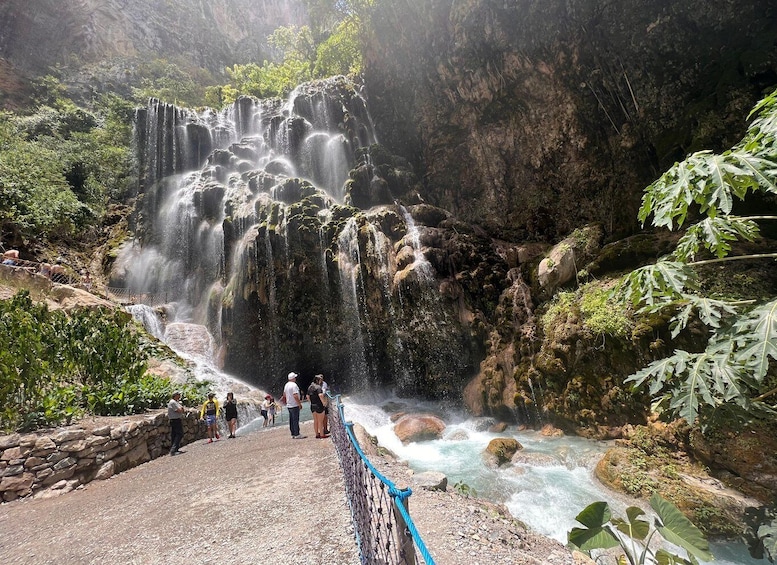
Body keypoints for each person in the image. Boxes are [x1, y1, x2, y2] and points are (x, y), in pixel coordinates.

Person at [283, 372, 305, 439]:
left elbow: (284, 394)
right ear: (293, 378)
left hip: (289, 405)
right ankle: (297, 434)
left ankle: (293, 433)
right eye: (295, 377)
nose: (295, 378)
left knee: (291, 420)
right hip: (294, 405)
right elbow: (295, 395)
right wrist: (299, 404)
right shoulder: (294, 385)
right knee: (295, 420)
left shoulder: (286, 385)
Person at [308, 374, 328, 439]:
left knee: (315, 421)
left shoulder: (310, 387)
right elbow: (320, 395)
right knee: (320, 421)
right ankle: (322, 434)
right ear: (317, 380)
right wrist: (324, 403)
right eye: (320, 380)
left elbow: (307, 396)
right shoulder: (318, 387)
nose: (321, 381)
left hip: (313, 405)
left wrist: (311, 402)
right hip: (319, 405)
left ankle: (317, 434)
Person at [167, 391, 185, 456]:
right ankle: (173, 450)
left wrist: (181, 409)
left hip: (176, 420)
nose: (180, 396)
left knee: (174, 435)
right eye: (179, 394)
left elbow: (182, 410)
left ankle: (175, 449)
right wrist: (181, 409)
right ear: (175, 395)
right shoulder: (173, 402)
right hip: (175, 420)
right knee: (179, 434)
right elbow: (180, 410)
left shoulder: (176, 402)